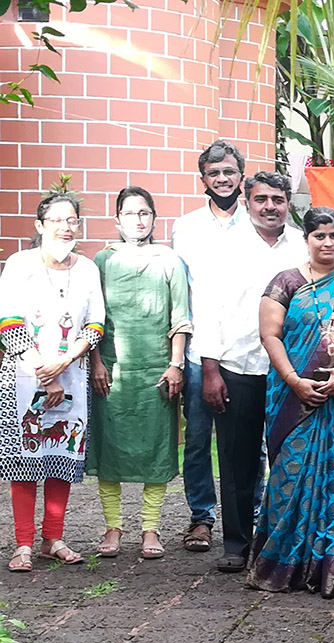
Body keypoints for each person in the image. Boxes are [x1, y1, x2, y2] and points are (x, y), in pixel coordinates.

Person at [248, 207, 334, 598]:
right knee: (289, 477)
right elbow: (269, 335)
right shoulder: (286, 282)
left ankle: (330, 566)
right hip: (292, 395)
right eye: (319, 236)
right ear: (305, 239)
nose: (327, 243)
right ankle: (280, 564)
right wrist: (294, 380)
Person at [193, 171, 305, 572]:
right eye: (261, 199)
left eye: (277, 199)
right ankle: (237, 544)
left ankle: (284, 541)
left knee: (291, 459)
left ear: (288, 203)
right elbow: (206, 310)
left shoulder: (302, 246)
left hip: (292, 372)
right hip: (237, 367)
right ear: (247, 202)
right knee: (238, 462)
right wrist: (210, 370)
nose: (270, 206)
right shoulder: (224, 248)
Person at [0, 193, 105, 572]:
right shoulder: (19, 265)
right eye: (57, 220)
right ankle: (24, 543)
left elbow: (95, 325)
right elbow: (9, 322)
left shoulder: (88, 269)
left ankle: (53, 538)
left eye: (72, 220)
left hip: (72, 375)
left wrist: (64, 363)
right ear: (40, 226)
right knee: (23, 462)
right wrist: (45, 372)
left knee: (61, 458)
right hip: (24, 376)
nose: (66, 227)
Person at [87, 187, 192, 560]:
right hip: (111, 370)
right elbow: (93, 318)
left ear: (153, 218)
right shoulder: (101, 261)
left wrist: (175, 364)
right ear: (117, 220)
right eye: (130, 213)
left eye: (145, 213)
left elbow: (180, 316)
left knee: (156, 451)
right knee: (109, 449)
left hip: (158, 371)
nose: (138, 220)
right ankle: (112, 527)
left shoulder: (168, 260)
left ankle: (150, 528)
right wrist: (95, 362)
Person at [172, 140, 250, 554]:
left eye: (229, 172)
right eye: (214, 172)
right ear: (202, 178)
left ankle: (251, 514)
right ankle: (201, 517)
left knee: (247, 440)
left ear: (241, 175)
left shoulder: (257, 221)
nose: (222, 179)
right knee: (199, 438)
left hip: (248, 349)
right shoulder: (186, 227)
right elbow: (179, 294)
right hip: (199, 349)